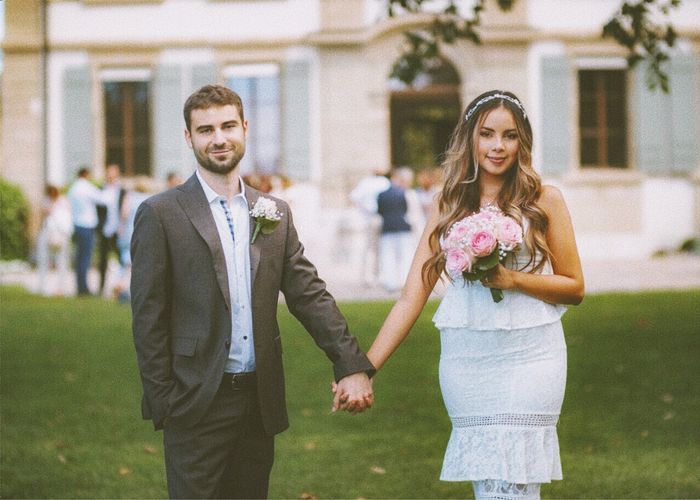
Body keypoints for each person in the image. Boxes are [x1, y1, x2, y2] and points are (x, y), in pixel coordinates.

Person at [130, 84, 375, 499]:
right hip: (194, 401)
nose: (219, 138)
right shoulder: (161, 213)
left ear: (245, 128)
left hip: (258, 403)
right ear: (189, 138)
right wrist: (165, 400)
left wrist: (350, 363)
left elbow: (308, 294)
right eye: (205, 130)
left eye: (228, 125)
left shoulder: (273, 213)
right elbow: (147, 317)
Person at [338, 90, 585, 499]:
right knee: (489, 484)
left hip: (531, 354)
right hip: (468, 358)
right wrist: (366, 368)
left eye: (509, 135)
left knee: (517, 483)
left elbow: (574, 287)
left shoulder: (545, 199)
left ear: (522, 140)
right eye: (487, 134)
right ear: (471, 137)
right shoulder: (449, 203)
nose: (497, 146)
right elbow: (410, 297)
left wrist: (512, 279)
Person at [67, 167, 108, 296]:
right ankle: (83, 288)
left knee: (79, 257)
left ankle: (79, 285)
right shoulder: (87, 187)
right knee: (86, 257)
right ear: (86, 174)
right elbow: (102, 199)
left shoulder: (73, 188)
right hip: (87, 224)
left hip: (77, 224)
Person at [376, 168, 415, 292]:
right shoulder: (404, 193)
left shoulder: (381, 195)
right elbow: (407, 211)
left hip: (387, 228)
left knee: (388, 257)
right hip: (403, 228)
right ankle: (404, 281)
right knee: (405, 256)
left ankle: (390, 283)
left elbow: (380, 211)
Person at [349, 169, 390, 287]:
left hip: (369, 217)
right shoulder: (384, 182)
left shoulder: (365, 182)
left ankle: (369, 277)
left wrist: (363, 209)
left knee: (369, 249)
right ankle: (377, 276)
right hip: (378, 217)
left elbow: (354, 197)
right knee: (377, 249)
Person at [113, 177, 151, 303]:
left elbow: (124, 214)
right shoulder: (149, 198)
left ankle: (121, 286)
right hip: (143, 233)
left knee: (125, 261)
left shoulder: (130, 197)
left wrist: (121, 227)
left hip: (129, 232)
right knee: (135, 263)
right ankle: (125, 289)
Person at [34, 185, 73, 296]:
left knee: (61, 261)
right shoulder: (47, 201)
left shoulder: (63, 202)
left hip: (60, 234)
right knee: (44, 259)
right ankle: (42, 285)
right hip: (50, 233)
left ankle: (61, 287)